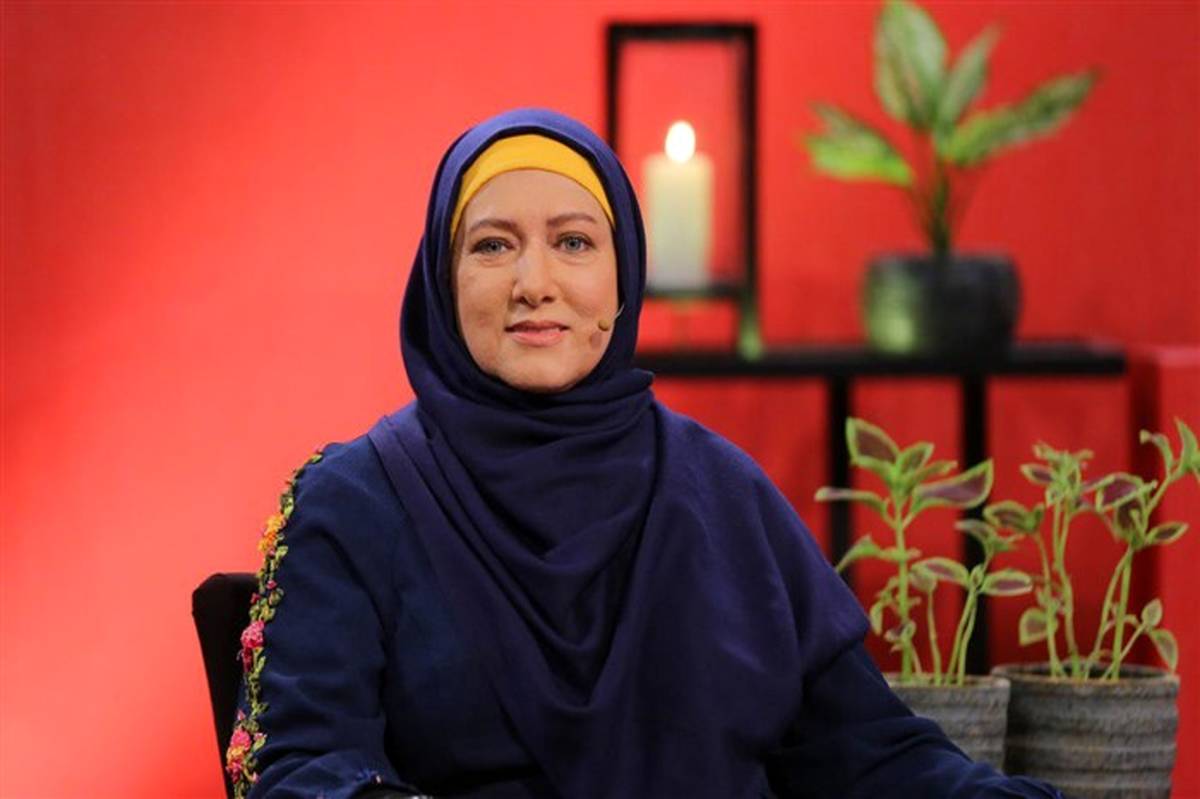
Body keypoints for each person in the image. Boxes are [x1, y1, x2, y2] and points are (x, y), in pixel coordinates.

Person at [227, 108, 1062, 799]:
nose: (534, 281)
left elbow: (867, 753)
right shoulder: (353, 503)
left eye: (574, 242)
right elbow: (304, 769)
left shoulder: (721, 491)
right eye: (492, 245)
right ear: (442, 283)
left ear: (622, 280)